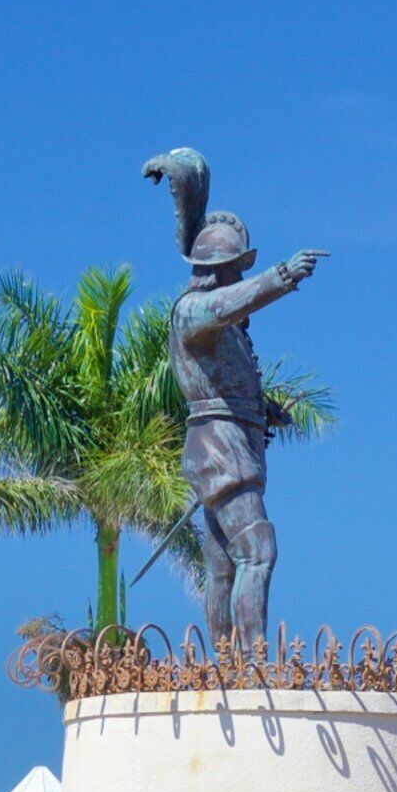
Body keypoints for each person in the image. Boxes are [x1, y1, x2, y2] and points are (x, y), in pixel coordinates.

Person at [143, 149, 323, 654]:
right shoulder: (195, 311)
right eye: (236, 270)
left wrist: (263, 410)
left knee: (224, 562)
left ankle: (224, 659)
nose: (240, 278)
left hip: (228, 443)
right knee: (257, 549)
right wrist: (283, 276)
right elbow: (228, 304)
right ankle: (251, 657)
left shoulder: (225, 328)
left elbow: (222, 381)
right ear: (220, 270)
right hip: (219, 448)